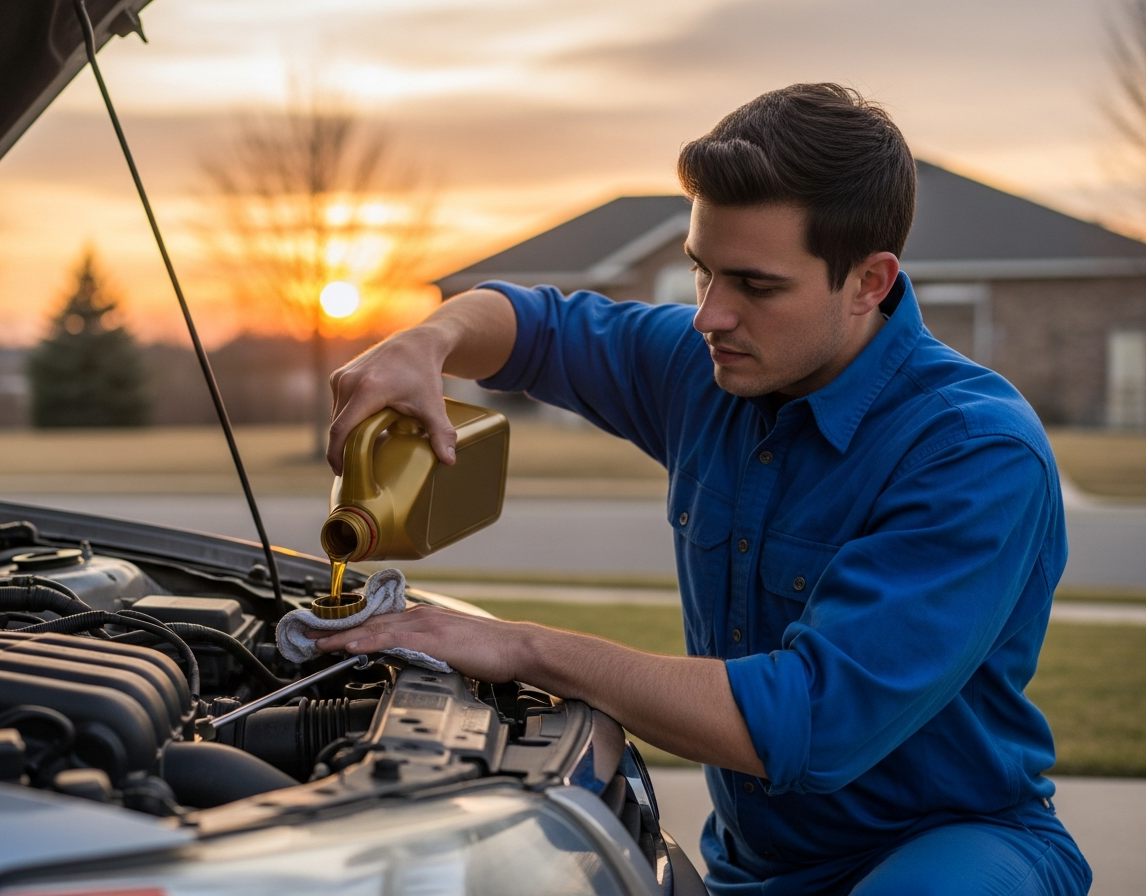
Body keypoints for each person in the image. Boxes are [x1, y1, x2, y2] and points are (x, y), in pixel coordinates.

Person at [311, 84, 1092, 895]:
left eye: (755, 286)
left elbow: (809, 721)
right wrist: (429, 339)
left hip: (954, 849)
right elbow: (534, 325)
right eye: (700, 271)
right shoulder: (711, 371)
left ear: (869, 282)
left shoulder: (973, 451)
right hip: (754, 869)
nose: (709, 316)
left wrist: (524, 647)